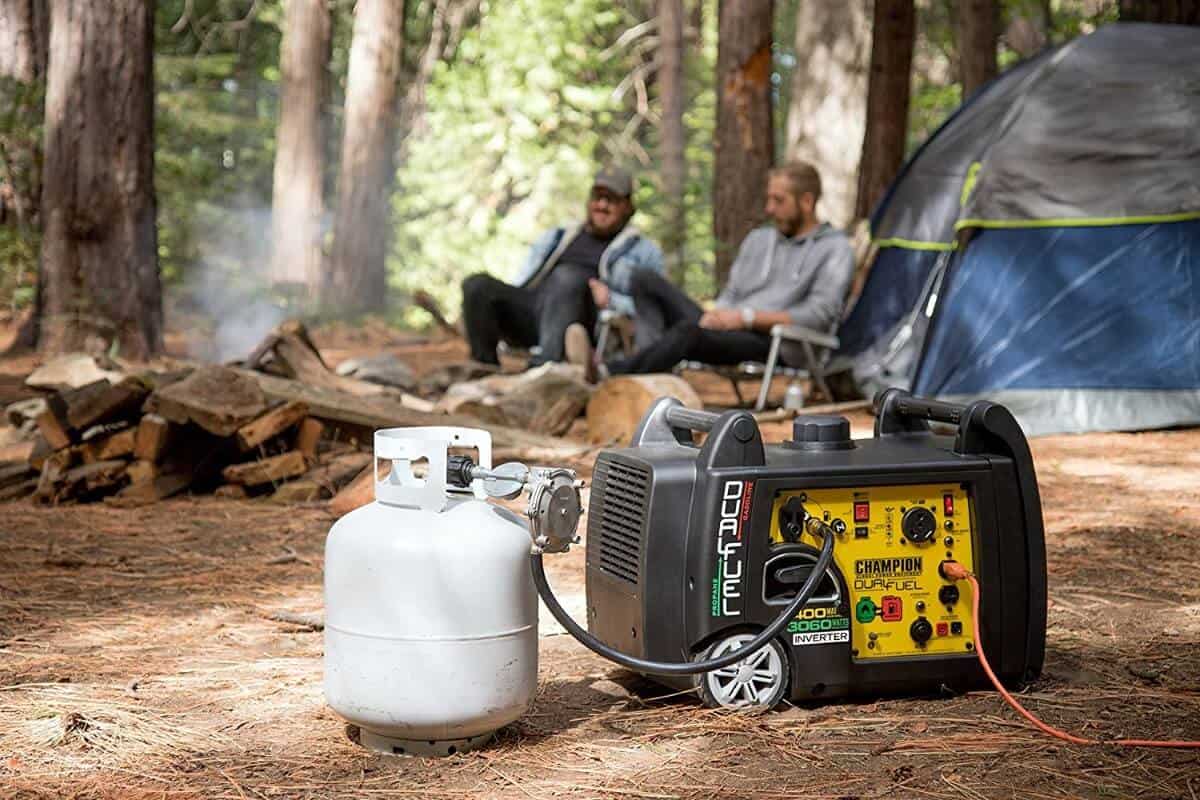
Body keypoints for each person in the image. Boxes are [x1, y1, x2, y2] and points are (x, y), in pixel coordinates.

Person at [580, 160, 854, 378]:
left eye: (779, 201)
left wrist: (746, 318)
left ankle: (609, 373)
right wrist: (719, 315)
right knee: (644, 279)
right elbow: (733, 292)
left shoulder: (834, 249)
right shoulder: (759, 239)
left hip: (774, 343)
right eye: (769, 199)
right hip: (730, 328)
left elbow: (819, 315)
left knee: (688, 332)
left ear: (806, 202)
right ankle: (652, 369)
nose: (769, 209)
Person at [460, 167, 664, 367]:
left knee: (568, 276)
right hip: (537, 311)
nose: (602, 205)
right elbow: (522, 280)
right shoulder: (559, 235)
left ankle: (547, 365)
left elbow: (656, 313)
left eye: (611, 199)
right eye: (597, 197)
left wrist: (611, 300)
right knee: (476, 285)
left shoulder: (643, 250)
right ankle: (483, 368)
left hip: (584, 326)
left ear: (627, 206)